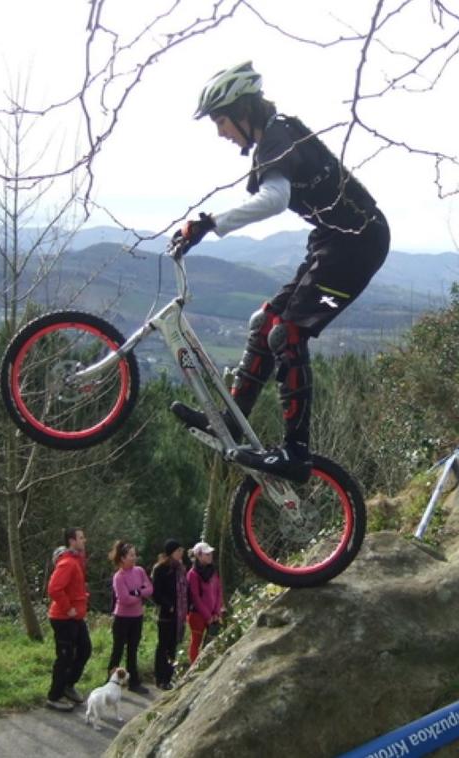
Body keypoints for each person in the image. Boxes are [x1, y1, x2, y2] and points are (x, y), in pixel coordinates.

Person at [170, 61, 391, 483]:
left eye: (220, 121)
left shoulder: (277, 135)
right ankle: (232, 420)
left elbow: (275, 199)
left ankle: (296, 452)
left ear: (242, 110)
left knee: (287, 334)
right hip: (334, 240)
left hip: (359, 243)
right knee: (265, 321)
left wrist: (209, 224)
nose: (220, 133)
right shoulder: (278, 133)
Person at [46, 527, 92, 711]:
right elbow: (54, 589)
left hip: (76, 617)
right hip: (63, 618)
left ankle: (68, 685)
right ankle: (54, 697)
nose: (84, 540)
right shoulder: (67, 563)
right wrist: (68, 608)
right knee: (65, 657)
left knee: (85, 650)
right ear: (72, 541)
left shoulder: (77, 560)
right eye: (81, 538)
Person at [107, 540, 153, 695]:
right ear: (122, 558)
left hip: (137, 617)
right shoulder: (119, 577)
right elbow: (124, 599)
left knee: (133, 650)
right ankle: (110, 681)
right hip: (122, 618)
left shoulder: (139, 571)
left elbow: (149, 588)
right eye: (131, 555)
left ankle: (134, 682)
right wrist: (139, 595)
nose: (134, 558)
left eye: (135, 555)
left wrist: (136, 593)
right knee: (118, 650)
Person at [150, 538, 188, 691]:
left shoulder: (181, 568)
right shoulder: (161, 569)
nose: (181, 553)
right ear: (171, 552)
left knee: (173, 646)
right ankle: (160, 677)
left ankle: (169, 676)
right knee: (163, 645)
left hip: (179, 615)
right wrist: (169, 605)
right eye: (178, 550)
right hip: (166, 614)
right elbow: (156, 593)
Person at [186, 541, 224, 665]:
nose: (210, 556)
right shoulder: (192, 574)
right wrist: (208, 616)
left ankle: (208, 665)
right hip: (197, 615)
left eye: (210, 553)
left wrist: (216, 612)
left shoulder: (213, 571)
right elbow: (195, 597)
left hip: (213, 614)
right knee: (196, 642)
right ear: (199, 556)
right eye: (207, 554)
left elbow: (218, 591)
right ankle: (194, 668)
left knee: (212, 642)